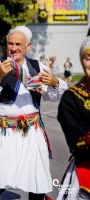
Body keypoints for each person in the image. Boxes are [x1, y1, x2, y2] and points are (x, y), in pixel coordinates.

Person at [0, 26, 67, 200]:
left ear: (28, 47)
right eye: (10, 43)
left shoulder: (38, 67)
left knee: (36, 177)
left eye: (18, 44)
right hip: (5, 131)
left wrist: (55, 82)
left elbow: (55, 95)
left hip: (31, 131)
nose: (14, 48)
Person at [57, 37, 90, 200]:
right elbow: (77, 141)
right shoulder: (72, 98)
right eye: (89, 58)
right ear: (81, 61)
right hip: (86, 177)